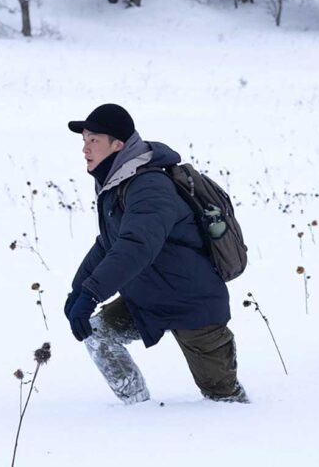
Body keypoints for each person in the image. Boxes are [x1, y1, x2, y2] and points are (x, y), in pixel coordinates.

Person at [63, 103, 248, 404]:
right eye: (83, 140)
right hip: (149, 299)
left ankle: (254, 433)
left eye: (93, 139)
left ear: (118, 144)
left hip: (192, 303)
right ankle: (137, 411)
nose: (85, 148)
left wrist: (92, 293)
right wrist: (79, 290)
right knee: (98, 334)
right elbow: (109, 243)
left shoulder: (149, 187)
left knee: (224, 399)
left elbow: (136, 246)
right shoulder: (118, 184)